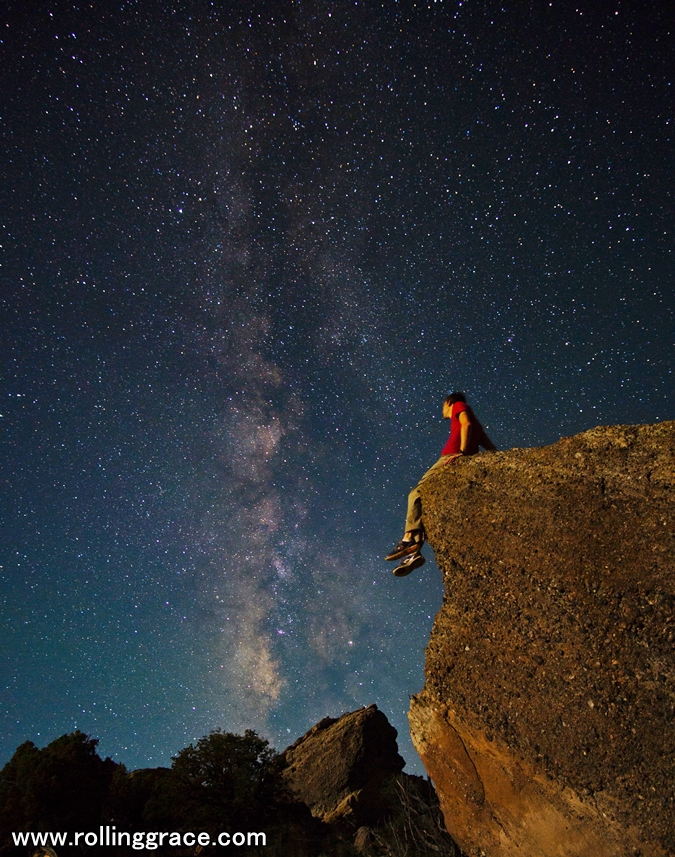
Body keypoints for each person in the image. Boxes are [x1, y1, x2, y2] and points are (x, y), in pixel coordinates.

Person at [386, 392, 497, 576]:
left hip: (450, 456)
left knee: (415, 493)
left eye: (443, 406)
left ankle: (408, 539)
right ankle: (413, 553)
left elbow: (466, 423)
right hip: (461, 457)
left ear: (448, 402)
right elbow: (490, 447)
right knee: (426, 503)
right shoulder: (478, 426)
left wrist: (460, 452)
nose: (442, 410)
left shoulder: (458, 406)